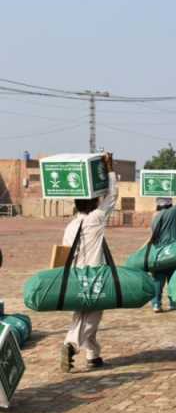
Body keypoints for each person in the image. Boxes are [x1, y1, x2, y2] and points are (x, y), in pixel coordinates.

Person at [61, 153, 117, 372]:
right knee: (91, 317)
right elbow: (112, 196)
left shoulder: (70, 226)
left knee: (82, 316)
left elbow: (65, 254)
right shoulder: (96, 219)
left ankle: (93, 355)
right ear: (94, 202)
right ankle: (70, 346)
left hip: (75, 277)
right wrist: (109, 169)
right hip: (94, 276)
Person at [150, 176, 176, 313]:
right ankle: (173, 302)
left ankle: (156, 304)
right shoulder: (171, 213)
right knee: (173, 279)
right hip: (173, 252)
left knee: (158, 280)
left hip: (158, 253)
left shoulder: (154, 216)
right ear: (169, 203)